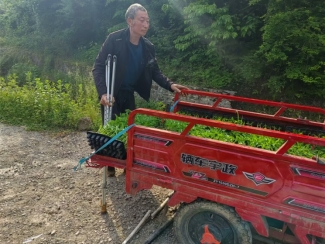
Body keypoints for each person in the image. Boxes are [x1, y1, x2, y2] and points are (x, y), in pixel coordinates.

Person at [92, 3, 188, 176]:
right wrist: (103, 92)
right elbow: (98, 67)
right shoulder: (114, 40)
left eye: (148, 21)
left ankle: (127, 163)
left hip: (128, 92)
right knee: (110, 127)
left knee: (130, 129)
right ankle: (110, 164)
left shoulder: (148, 47)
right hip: (111, 93)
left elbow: (155, 71)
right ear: (130, 20)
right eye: (141, 20)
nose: (146, 24)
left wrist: (170, 85)